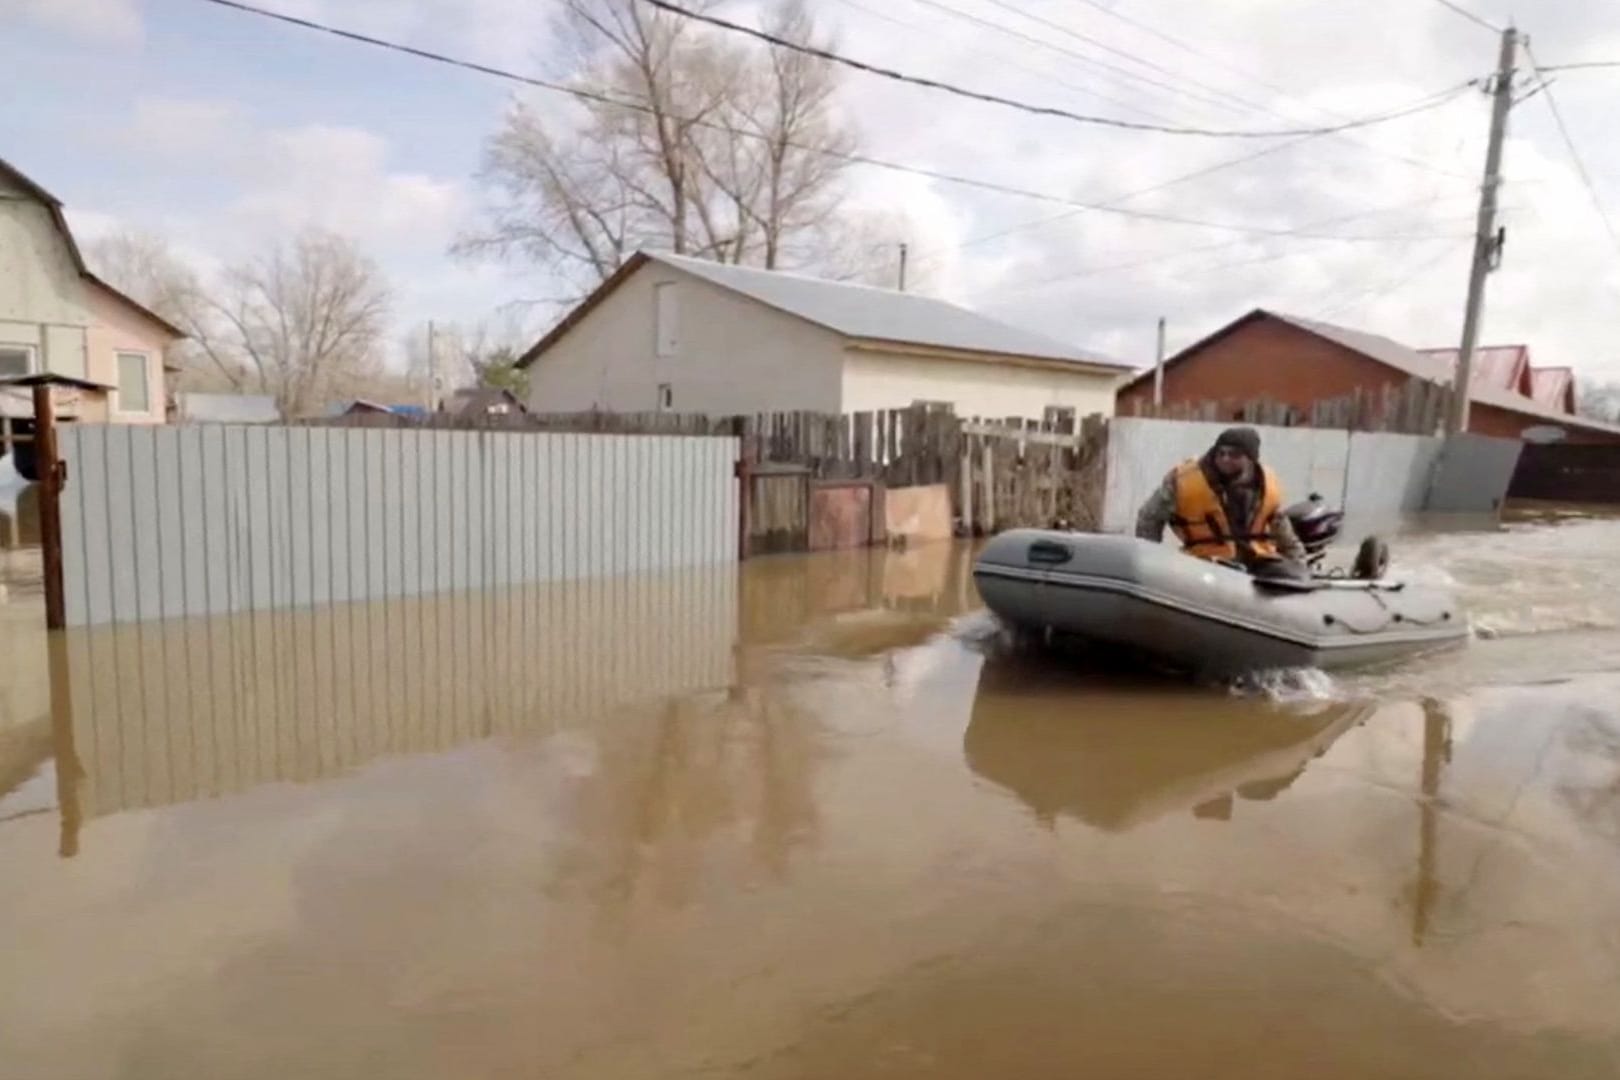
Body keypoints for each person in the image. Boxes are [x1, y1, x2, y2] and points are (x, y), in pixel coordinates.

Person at [1135, 426, 1308, 576]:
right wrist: (1151, 560)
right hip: (1204, 563)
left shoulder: (1266, 484)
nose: (1225, 459)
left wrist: (1299, 567)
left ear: (1251, 459)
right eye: (1221, 453)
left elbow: (1283, 531)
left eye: (1234, 455)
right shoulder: (1183, 480)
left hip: (1256, 562)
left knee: (1284, 576)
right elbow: (1149, 517)